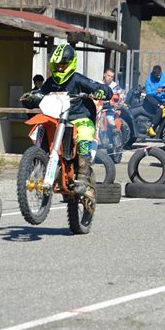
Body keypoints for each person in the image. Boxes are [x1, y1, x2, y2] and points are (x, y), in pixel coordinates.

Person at [20, 43, 112, 209]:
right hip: (56, 118)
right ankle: (37, 162)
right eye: (57, 66)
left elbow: (101, 88)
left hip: (79, 118)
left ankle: (83, 176)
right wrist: (30, 96)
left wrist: (102, 92)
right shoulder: (50, 82)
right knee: (41, 126)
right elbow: (39, 93)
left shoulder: (78, 79)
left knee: (84, 132)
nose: (60, 69)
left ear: (71, 63)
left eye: (63, 65)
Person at [144, 65, 165, 137]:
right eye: (157, 75)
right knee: (147, 97)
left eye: (159, 75)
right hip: (155, 100)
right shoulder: (149, 80)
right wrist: (156, 92)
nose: (158, 77)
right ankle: (162, 107)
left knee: (160, 110)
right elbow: (148, 92)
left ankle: (152, 127)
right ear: (153, 74)